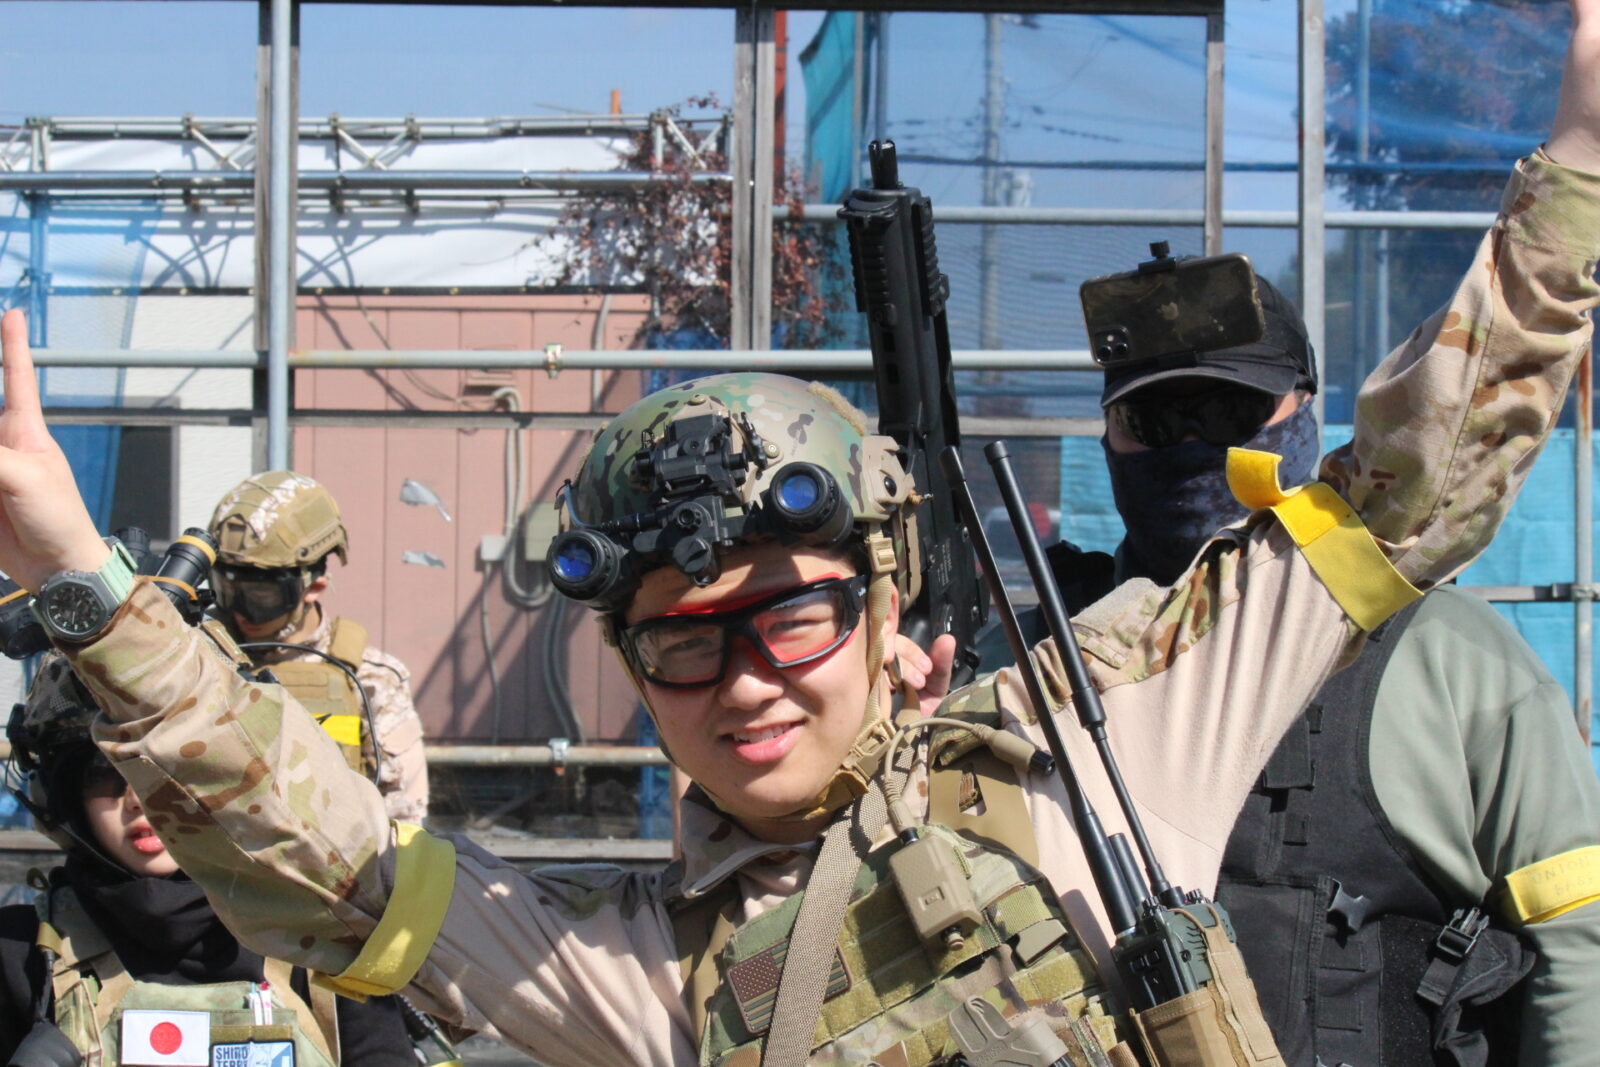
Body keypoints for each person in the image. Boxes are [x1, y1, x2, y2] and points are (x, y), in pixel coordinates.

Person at [0, 5, 1596, 1062]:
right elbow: (332, 862)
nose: (748, 677)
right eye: (683, 641)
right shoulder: (638, 972)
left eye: (794, 612)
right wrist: (76, 570)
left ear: (893, 612)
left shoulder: (1102, 744)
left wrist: (1580, 170)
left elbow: (1411, 484)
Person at [978, 271, 1600, 1065]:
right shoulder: (1026, 664)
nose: (1191, 446)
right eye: (1151, 420)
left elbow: (1577, 937)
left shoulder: (1450, 660)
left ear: (1303, 413)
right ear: (1109, 437)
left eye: (1228, 413)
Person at [0, 654, 417, 1064]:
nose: (141, 799)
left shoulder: (327, 943)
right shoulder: (23, 951)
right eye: (104, 772)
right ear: (63, 798)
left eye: (171, 767)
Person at [209, 471, 430, 823]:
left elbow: (404, 815)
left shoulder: (370, 677)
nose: (240, 609)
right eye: (226, 589)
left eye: (262, 596)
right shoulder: (198, 655)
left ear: (314, 587)